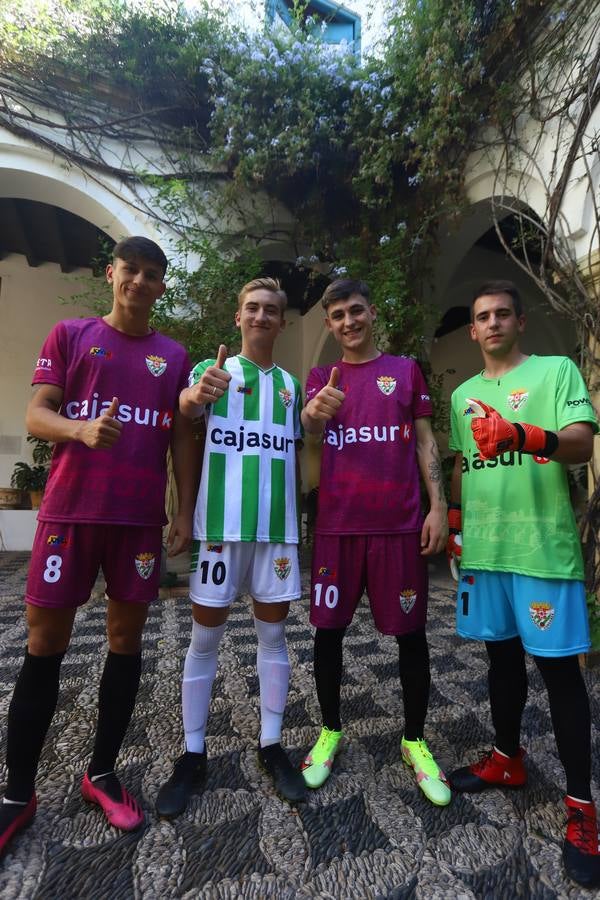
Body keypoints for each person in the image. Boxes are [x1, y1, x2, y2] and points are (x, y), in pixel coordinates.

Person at [0, 236, 197, 855]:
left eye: (151, 274)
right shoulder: (71, 335)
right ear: (110, 274)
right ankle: (17, 792)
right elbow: (36, 414)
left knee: (124, 642)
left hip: (136, 522)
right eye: (129, 270)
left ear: (162, 285)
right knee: (44, 644)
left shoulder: (174, 356)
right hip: (69, 513)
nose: (138, 281)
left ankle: (101, 772)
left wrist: (183, 508)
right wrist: (79, 429)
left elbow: (182, 438)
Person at [447, 280, 600, 888]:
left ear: (520, 321)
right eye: (482, 316)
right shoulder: (462, 396)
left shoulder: (555, 372)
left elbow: (583, 445)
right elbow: (464, 464)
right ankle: (508, 759)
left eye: (502, 314)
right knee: (501, 663)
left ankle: (582, 808)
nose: (491, 324)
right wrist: (455, 525)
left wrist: (523, 435)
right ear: (472, 330)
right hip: (487, 554)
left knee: (561, 675)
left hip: (543, 552)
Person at [156, 277, 306, 816]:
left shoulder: (292, 385)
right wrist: (196, 396)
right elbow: (187, 409)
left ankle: (270, 744)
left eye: (271, 310)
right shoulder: (213, 372)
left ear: (282, 322)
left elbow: (299, 443)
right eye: (252, 308)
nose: (261, 316)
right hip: (219, 530)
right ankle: (193, 753)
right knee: (203, 641)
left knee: (273, 637)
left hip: (277, 533)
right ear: (238, 317)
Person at [300, 278, 450, 805]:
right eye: (337, 315)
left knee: (411, 636)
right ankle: (330, 730)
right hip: (338, 529)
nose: (348, 321)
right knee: (328, 634)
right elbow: (310, 431)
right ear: (329, 324)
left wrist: (438, 507)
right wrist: (311, 415)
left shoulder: (404, 370)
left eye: (356, 310)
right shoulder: (322, 376)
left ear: (372, 311)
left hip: (399, 526)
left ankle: (414, 739)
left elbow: (427, 441)